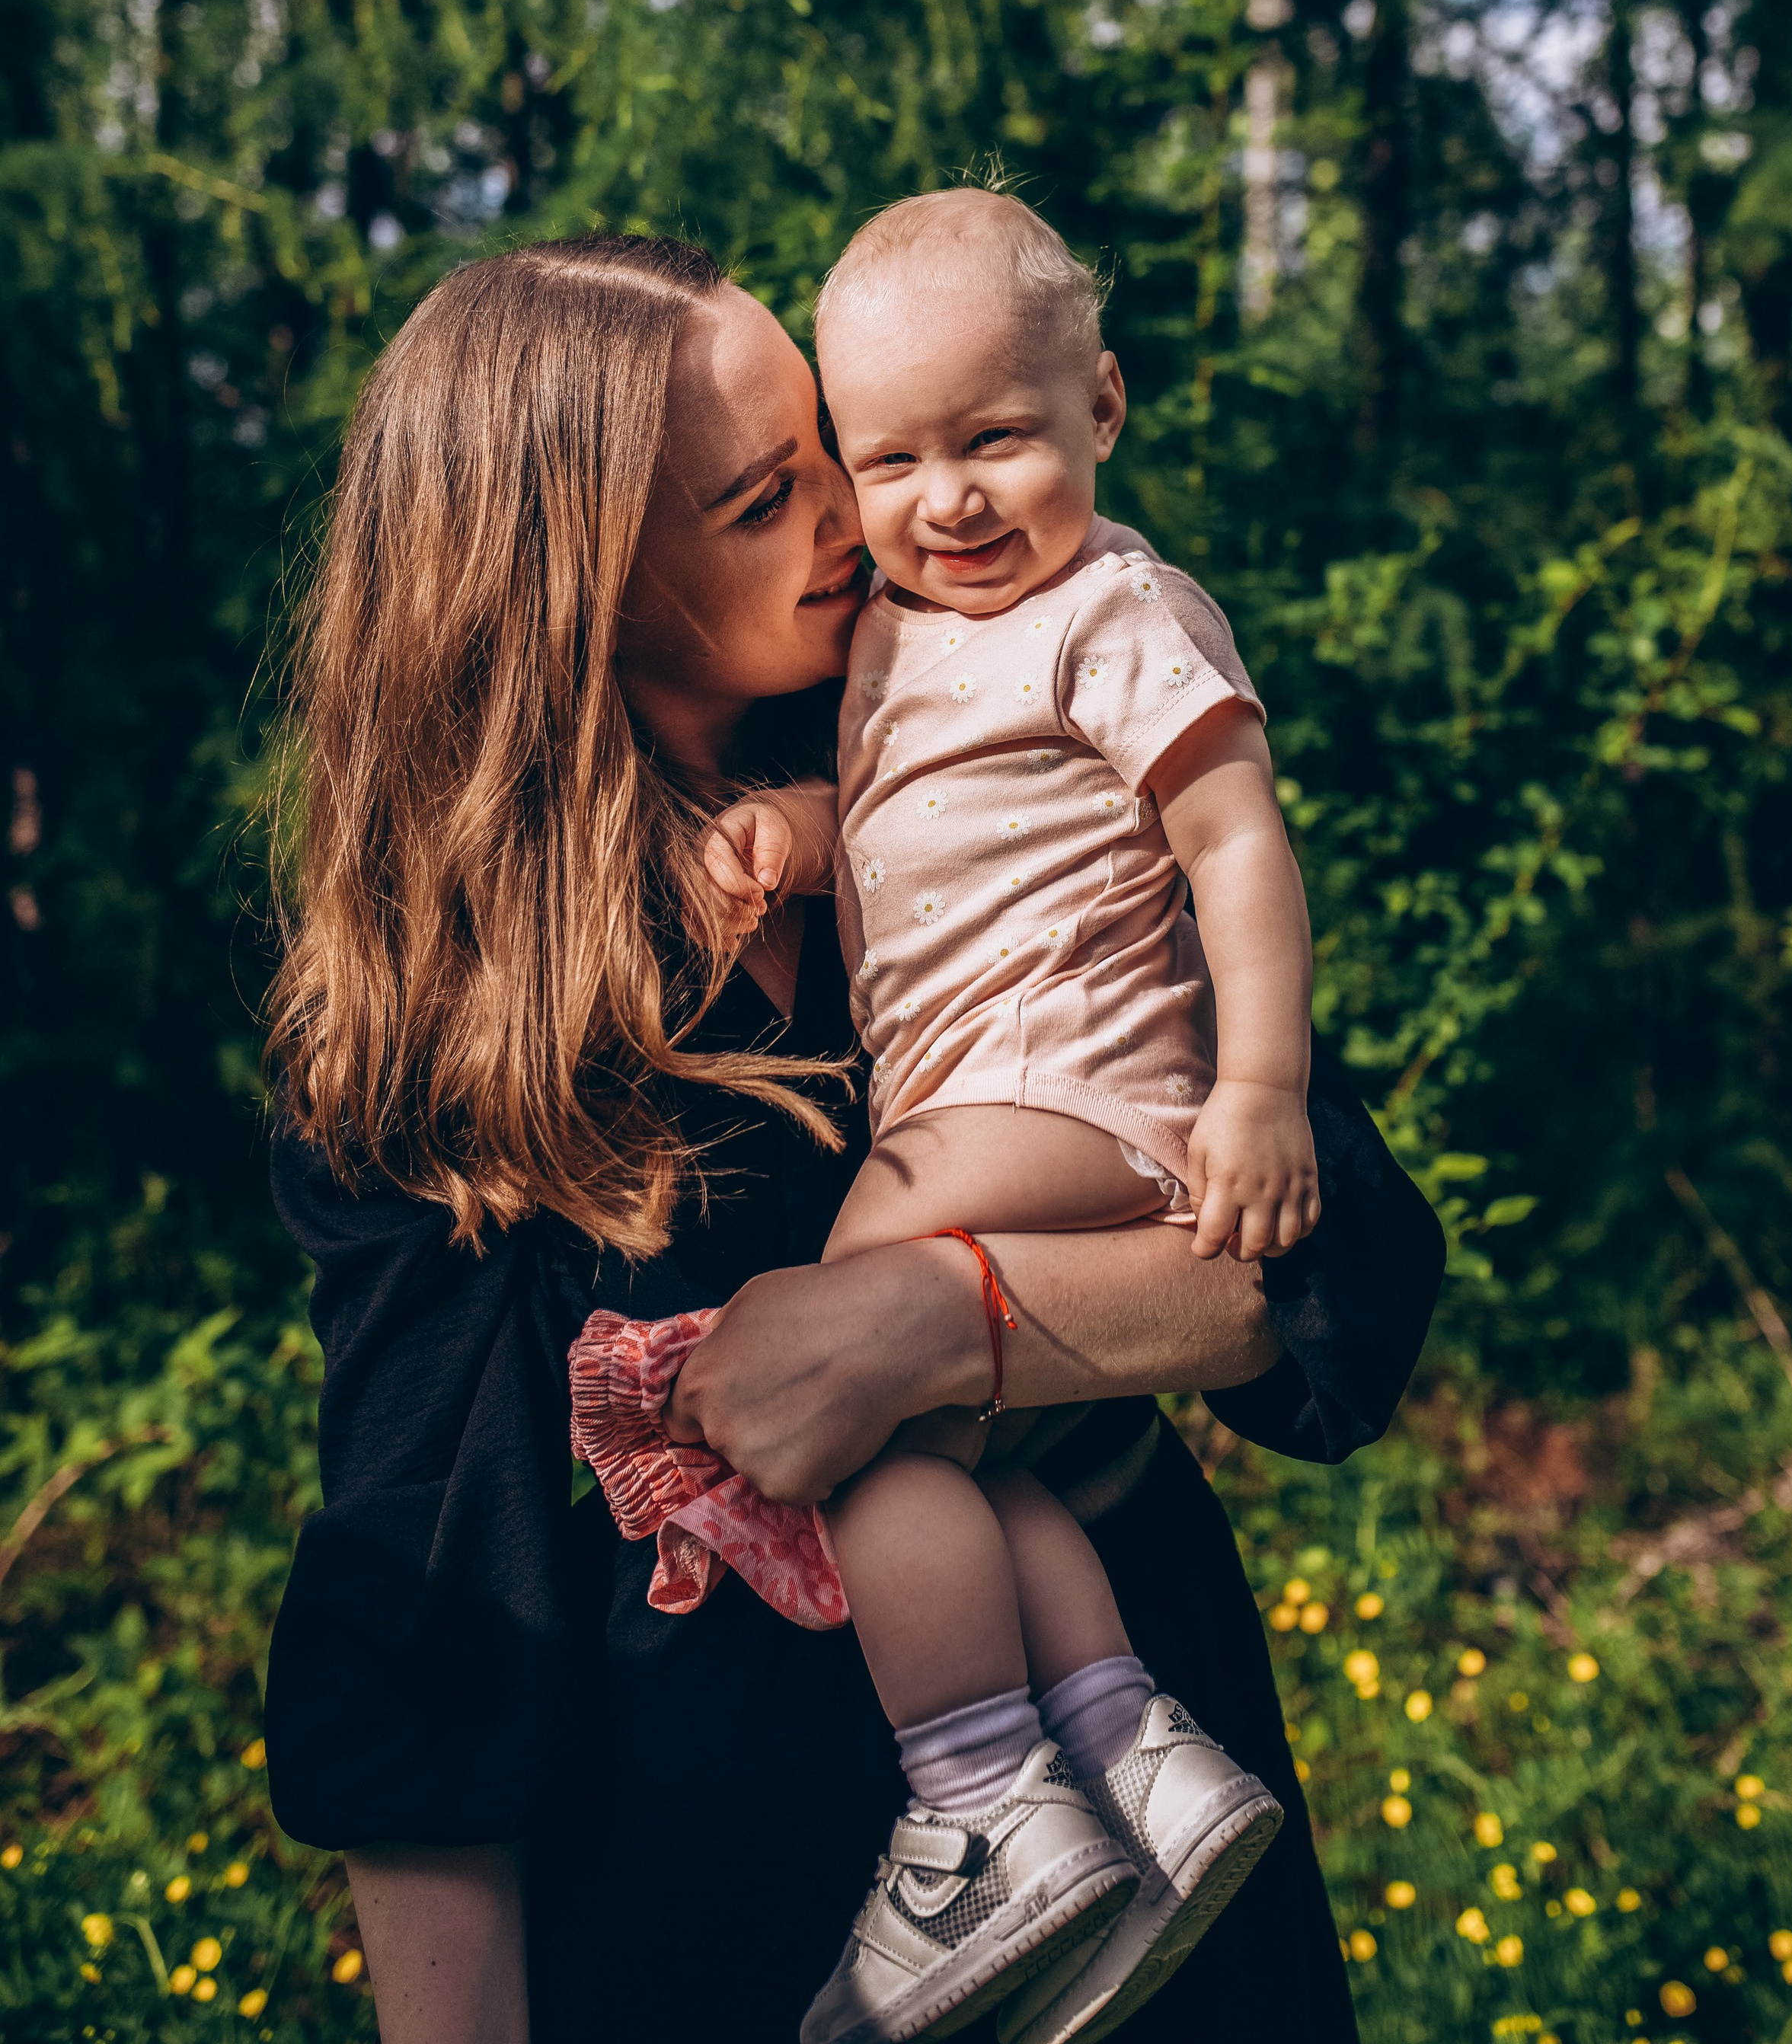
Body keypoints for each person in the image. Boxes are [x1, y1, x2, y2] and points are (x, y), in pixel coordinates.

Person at [261, 232, 1444, 2044]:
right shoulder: (443, 1023)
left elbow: (1325, 1285)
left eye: (832, 451)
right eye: (767, 497)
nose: (861, 515)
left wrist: (932, 1322)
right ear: (584, 582)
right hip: (754, 1896)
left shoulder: (974, 728)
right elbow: (429, 1611)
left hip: (1154, 1818)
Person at [674, 190, 1310, 2044]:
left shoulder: (1112, 609)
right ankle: (1133, 1764)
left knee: (831, 1383)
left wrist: (1259, 1089)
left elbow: (1234, 844)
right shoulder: (899, 632)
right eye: (888, 460)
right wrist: (783, 844)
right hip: (995, 1100)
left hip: (1060, 1087)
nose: (943, 498)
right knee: (951, 1463)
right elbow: (892, 820)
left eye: (995, 439)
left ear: (1100, 411)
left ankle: (976, 1809)